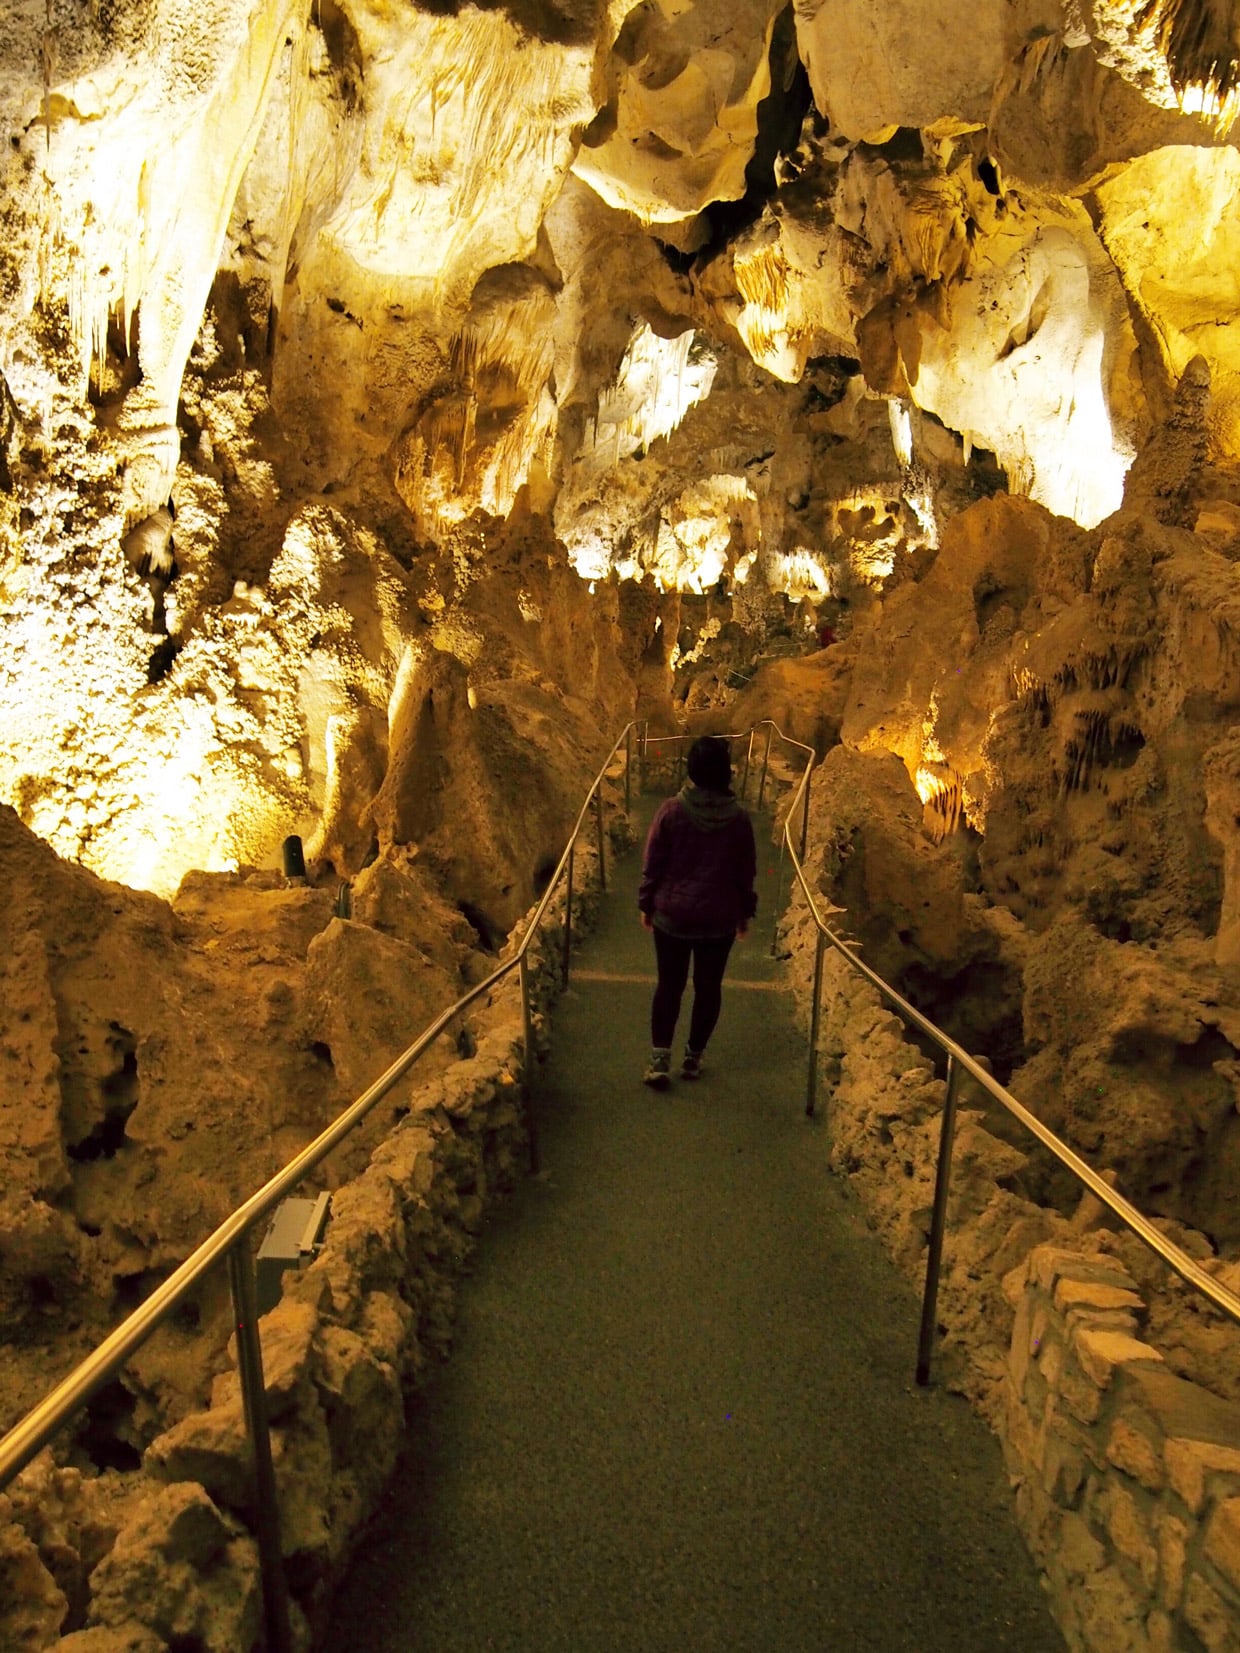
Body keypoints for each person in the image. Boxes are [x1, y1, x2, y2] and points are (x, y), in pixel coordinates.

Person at [637, 735, 758, 1089]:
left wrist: (646, 903)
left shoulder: (672, 811)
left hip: (672, 915)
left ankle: (660, 1059)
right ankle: (693, 1057)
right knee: (708, 988)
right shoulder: (739, 820)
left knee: (669, 986)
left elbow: (653, 863)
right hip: (718, 918)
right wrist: (744, 913)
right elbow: (745, 871)